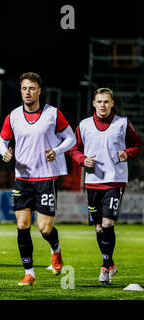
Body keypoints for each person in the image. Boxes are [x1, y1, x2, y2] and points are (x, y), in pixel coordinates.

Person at [0, 72, 76, 285]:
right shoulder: (13, 116)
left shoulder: (53, 114)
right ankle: (29, 272)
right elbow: (1, 141)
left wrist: (57, 151)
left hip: (46, 177)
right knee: (22, 224)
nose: (27, 92)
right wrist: (3, 152)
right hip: (22, 178)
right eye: (24, 88)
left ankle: (55, 249)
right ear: (20, 91)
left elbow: (71, 138)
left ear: (39, 90)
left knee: (44, 228)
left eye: (32, 88)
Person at [69, 88, 142, 284]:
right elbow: (74, 149)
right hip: (92, 182)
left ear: (112, 104)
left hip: (114, 180)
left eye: (106, 102)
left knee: (108, 223)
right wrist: (83, 159)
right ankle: (110, 265)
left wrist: (128, 153)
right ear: (93, 103)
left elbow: (137, 144)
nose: (103, 105)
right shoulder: (84, 125)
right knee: (100, 228)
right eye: (99, 102)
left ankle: (105, 265)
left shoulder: (122, 123)